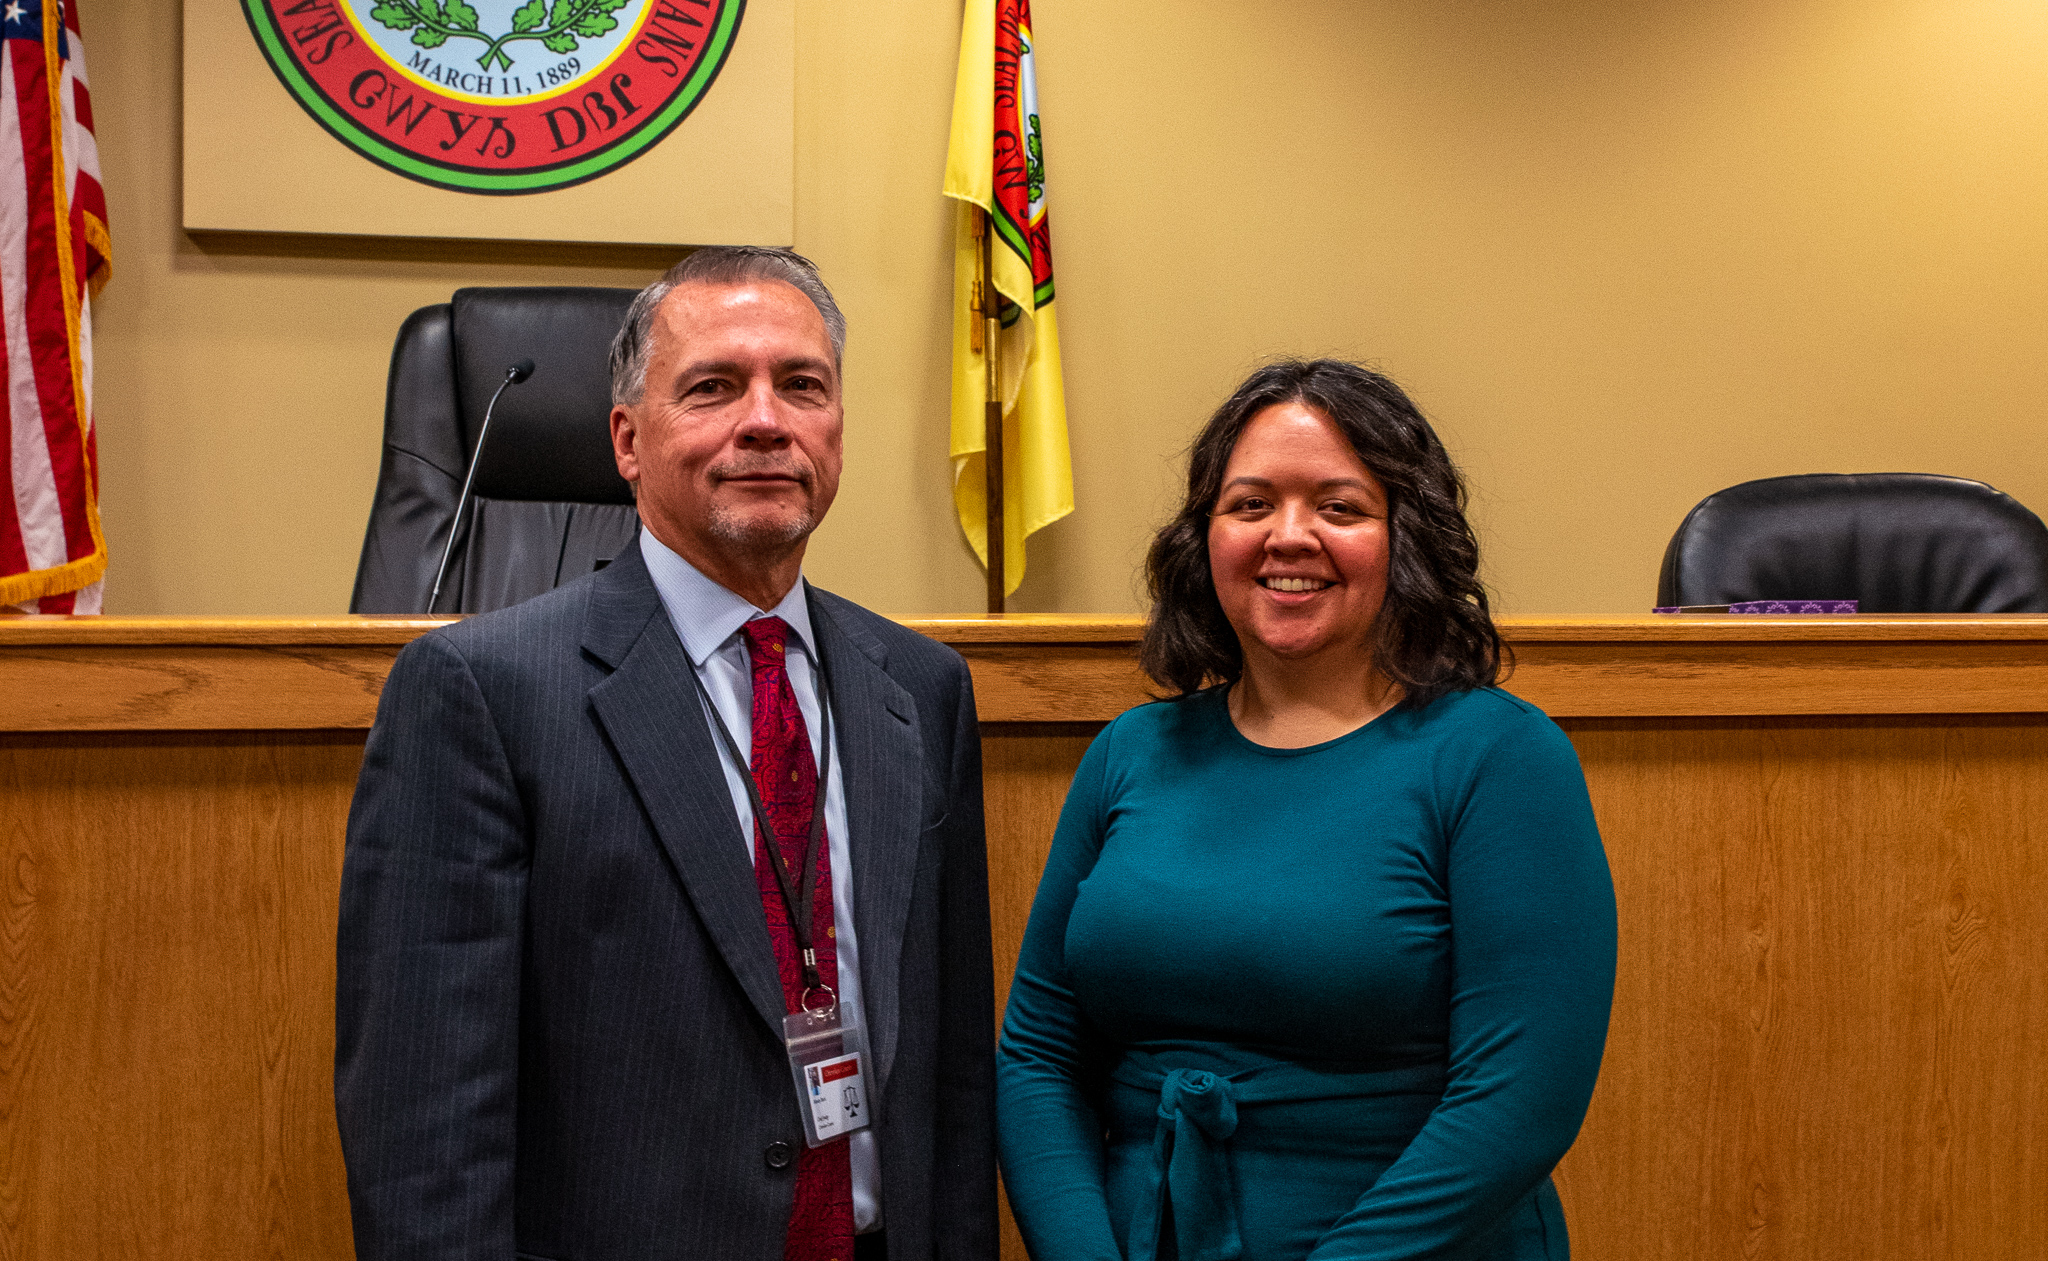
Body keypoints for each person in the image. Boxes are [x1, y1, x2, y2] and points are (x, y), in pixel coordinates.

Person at [336, 247, 997, 1261]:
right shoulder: (480, 693)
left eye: (802, 385)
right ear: (627, 441)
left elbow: (951, 1077)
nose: (767, 419)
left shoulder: (921, 689)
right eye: (713, 388)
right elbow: (424, 1124)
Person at [996, 359, 1616, 1261]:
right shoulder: (1130, 754)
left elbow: (1518, 1103)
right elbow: (1039, 1056)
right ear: (1203, 539)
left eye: (1340, 506)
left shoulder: (1498, 757)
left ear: (1407, 538)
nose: (1289, 536)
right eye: (1250, 505)